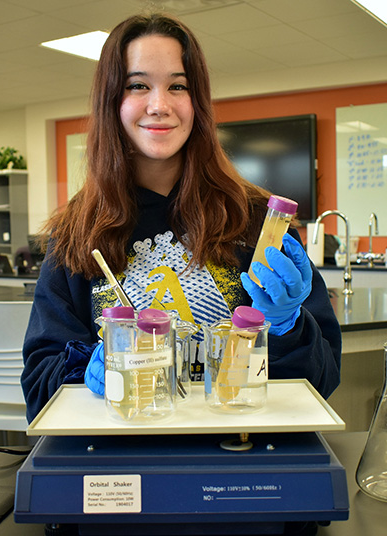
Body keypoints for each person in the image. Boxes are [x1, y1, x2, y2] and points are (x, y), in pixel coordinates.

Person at [21, 12, 341, 424]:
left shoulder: (258, 221)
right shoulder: (77, 233)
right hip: (122, 464)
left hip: (239, 457)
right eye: (138, 85)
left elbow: (324, 378)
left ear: (198, 102)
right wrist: (85, 371)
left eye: (178, 86)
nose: (159, 105)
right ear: (111, 101)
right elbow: (39, 388)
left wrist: (286, 329)